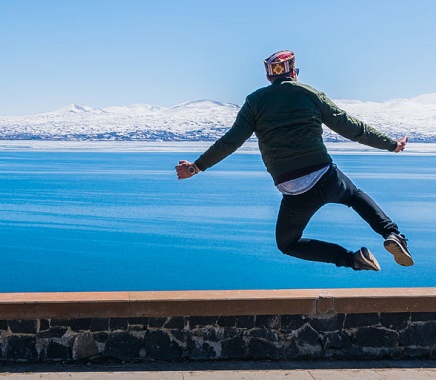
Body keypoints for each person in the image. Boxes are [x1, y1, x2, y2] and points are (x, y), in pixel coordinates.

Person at [175, 50, 412, 272]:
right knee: (354, 196)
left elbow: (230, 142)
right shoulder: (309, 94)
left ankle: (353, 259)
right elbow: (352, 128)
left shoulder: (254, 102)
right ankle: (392, 234)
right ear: (294, 72)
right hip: (325, 175)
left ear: (269, 76)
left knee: (288, 244)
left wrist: (195, 167)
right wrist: (392, 144)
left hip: (293, 190)